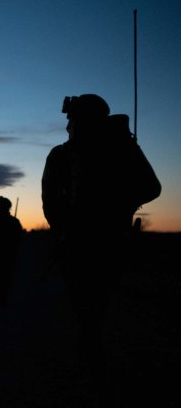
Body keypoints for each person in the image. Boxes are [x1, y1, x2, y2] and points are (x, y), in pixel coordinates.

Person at [41, 94, 161, 378]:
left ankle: (91, 363)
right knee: (94, 305)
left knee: (89, 306)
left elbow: (50, 202)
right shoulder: (118, 147)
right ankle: (94, 360)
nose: (69, 125)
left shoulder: (71, 153)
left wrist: (65, 228)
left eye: (72, 118)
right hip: (101, 241)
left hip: (94, 243)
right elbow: (151, 188)